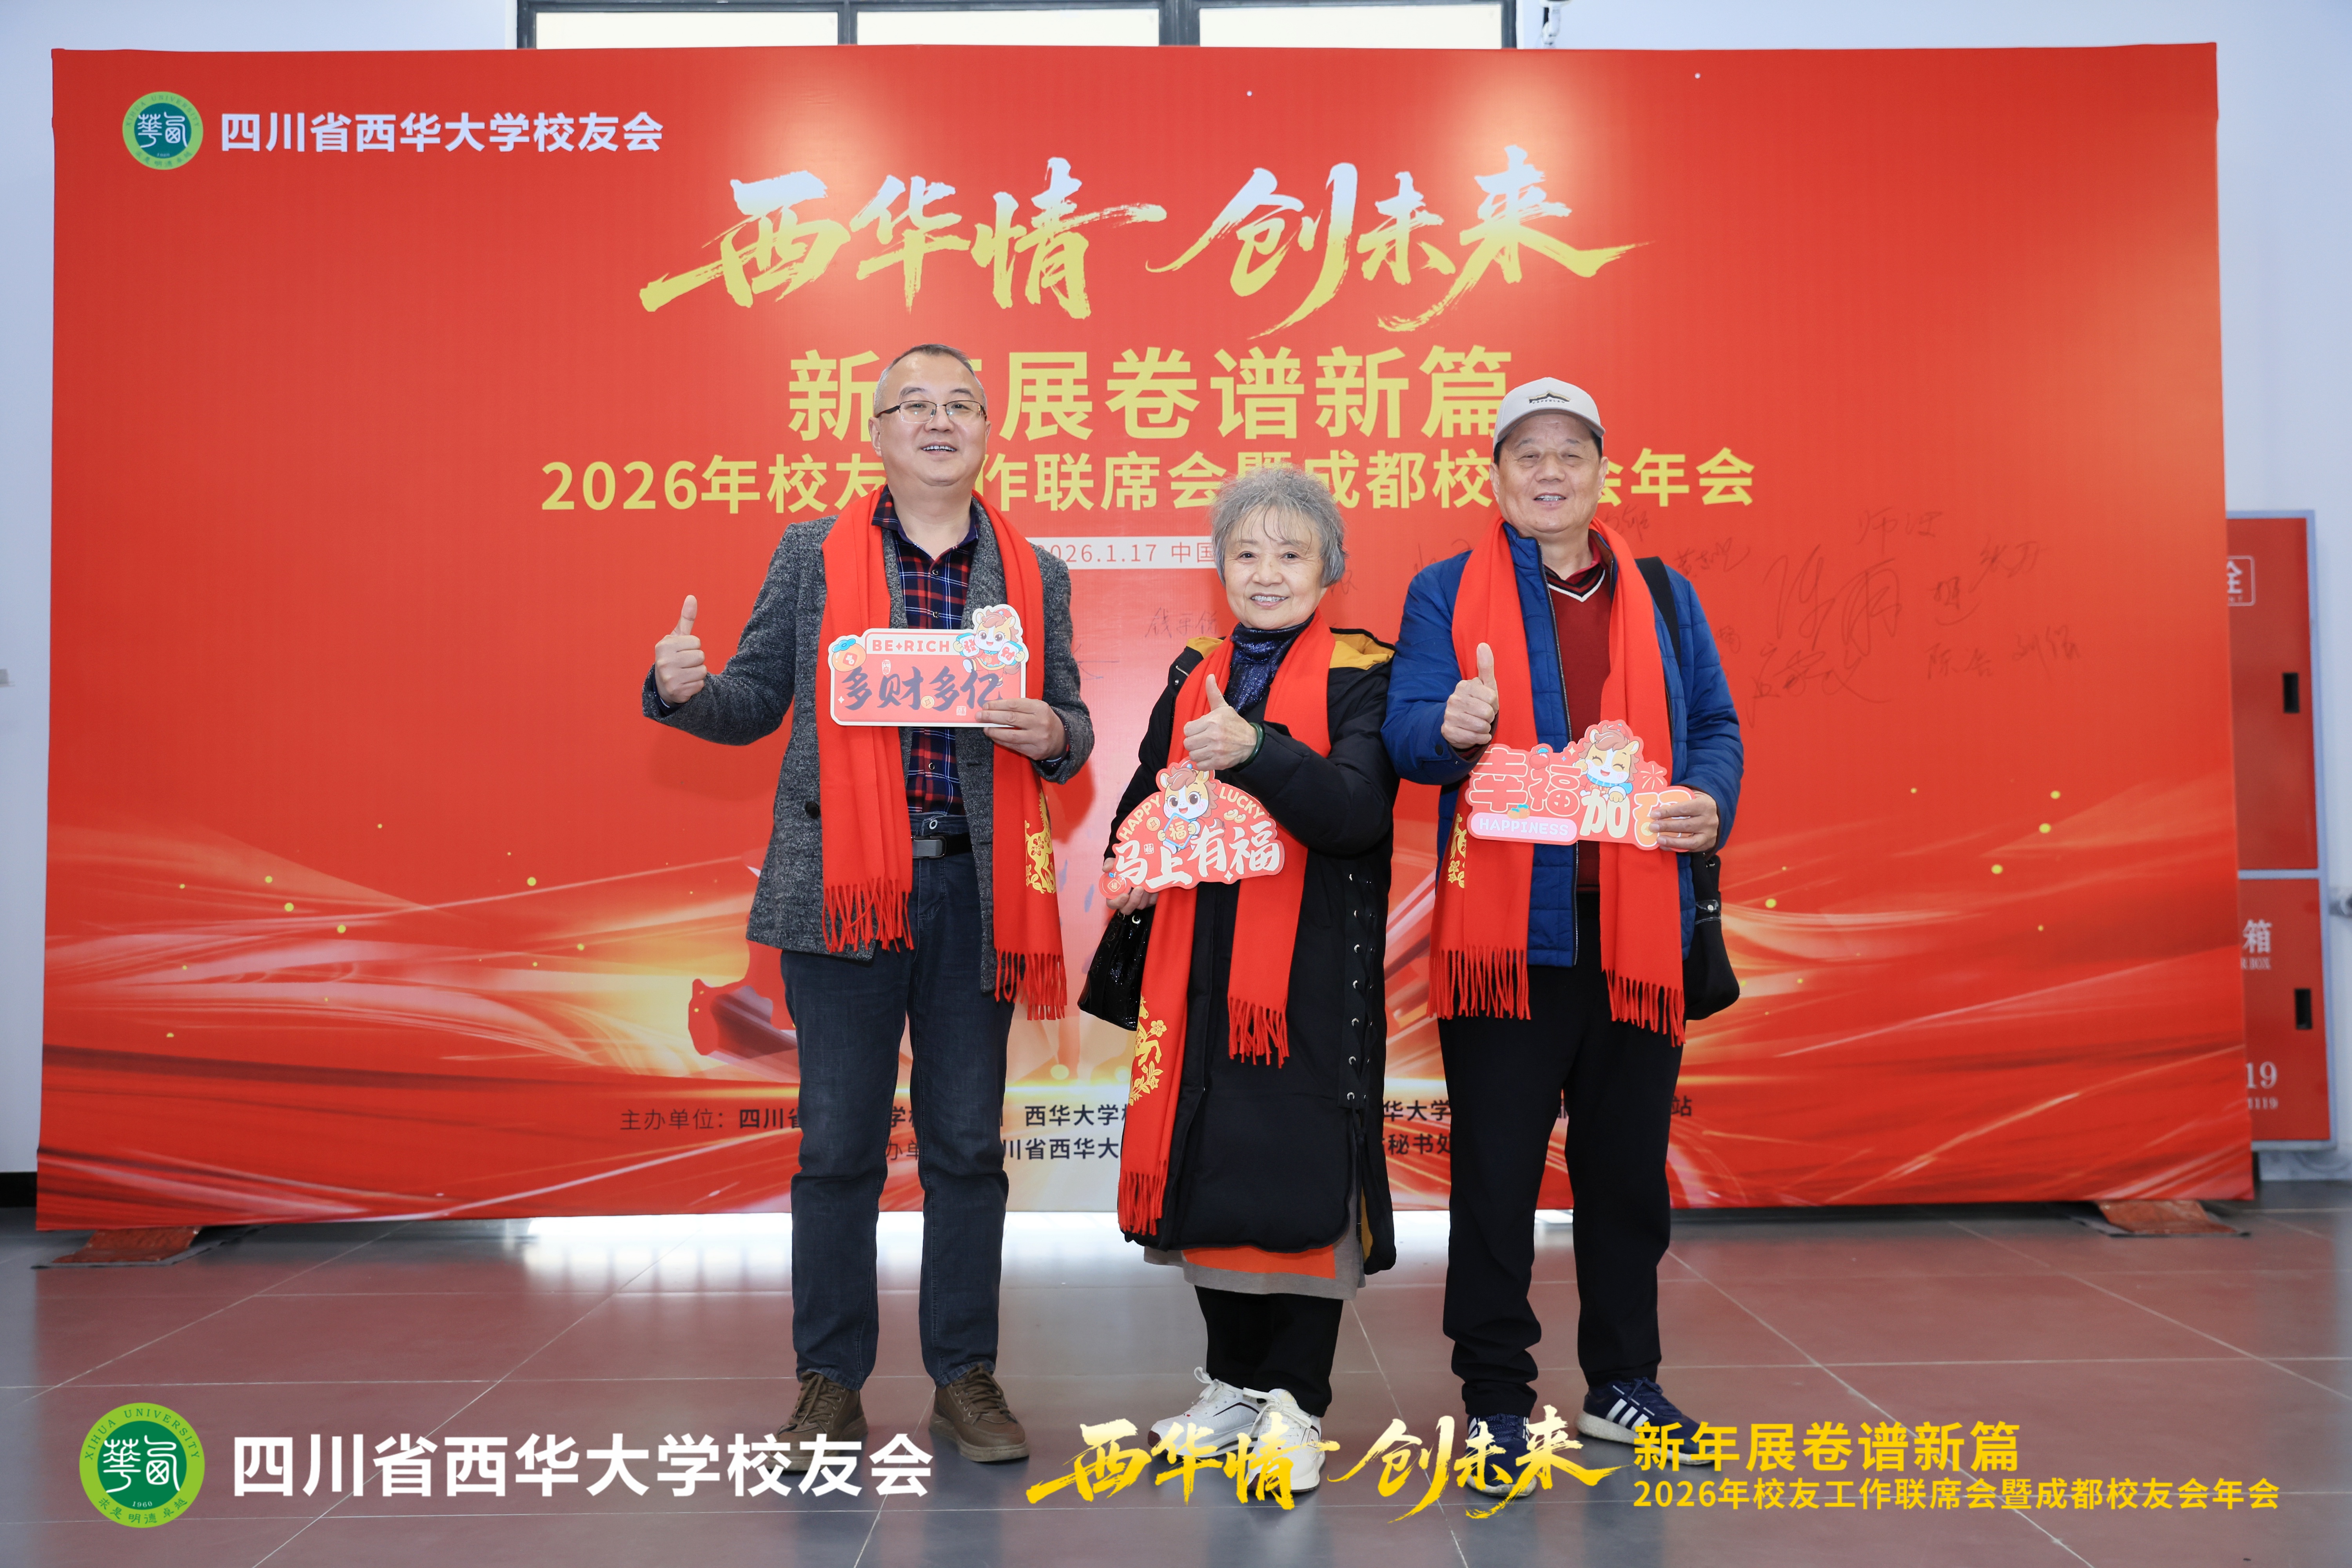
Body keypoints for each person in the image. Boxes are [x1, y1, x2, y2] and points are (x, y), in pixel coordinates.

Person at [643, 343, 1093, 1468]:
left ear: (988, 429)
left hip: (976, 892)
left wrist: (1054, 733)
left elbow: (1073, 721)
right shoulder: (813, 554)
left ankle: (965, 1377)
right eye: (915, 405)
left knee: (965, 1147)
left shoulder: (1035, 572)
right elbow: (755, 700)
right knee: (839, 1145)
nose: (940, 422)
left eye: (961, 405)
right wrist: (686, 692)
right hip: (841, 894)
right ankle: (829, 1382)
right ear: (878, 430)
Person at [1381, 378, 1744, 1488]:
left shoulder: (1663, 594)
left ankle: (1624, 1381)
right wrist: (1449, 725)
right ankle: (1496, 1397)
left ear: (1600, 473)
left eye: (1569, 454)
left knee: (1625, 1172)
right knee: (1495, 1176)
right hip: (1507, 940)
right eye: (1527, 455)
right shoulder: (1447, 592)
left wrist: (1710, 800)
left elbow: (1714, 725)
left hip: (1638, 931)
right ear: (1495, 476)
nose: (1549, 473)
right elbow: (1408, 738)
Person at [1102, 466, 1399, 1494]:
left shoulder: (1367, 670)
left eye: (1290, 553)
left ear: (1329, 569)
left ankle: (1297, 1404)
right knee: (1211, 1169)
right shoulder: (1196, 669)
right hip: (1193, 962)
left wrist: (1258, 749)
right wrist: (1128, 864)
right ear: (1220, 567)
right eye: (1246, 552)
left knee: (1297, 1177)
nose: (1266, 573)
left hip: (1308, 977)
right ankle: (1232, 1385)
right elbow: (1146, 793)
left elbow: (1356, 812)